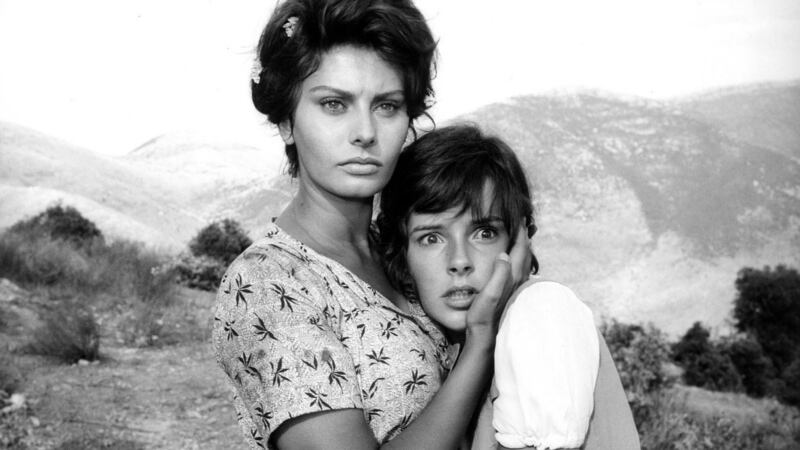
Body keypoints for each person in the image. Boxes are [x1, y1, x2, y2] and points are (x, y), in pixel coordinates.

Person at [212, 1, 530, 449]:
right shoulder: (267, 283)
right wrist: (479, 342)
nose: (364, 132)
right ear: (286, 121)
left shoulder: (404, 246)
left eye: (386, 105)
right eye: (334, 104)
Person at [377, 124, 641, 450]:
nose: (459, 261)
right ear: (404, 257)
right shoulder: (465, 345)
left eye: (484, 232)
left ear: (519, 239)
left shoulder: (539, 312)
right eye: (431, 238)